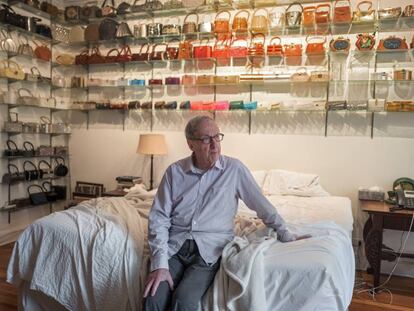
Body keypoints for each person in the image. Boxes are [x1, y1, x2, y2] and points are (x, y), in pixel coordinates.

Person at [143, 115, 309, 311]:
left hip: (208, 252)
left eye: (217, 137)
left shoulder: (234, 169)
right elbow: (159, 218)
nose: (214, 145)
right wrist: (160, 264)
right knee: (152, 297)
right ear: (190, 144)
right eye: (206, 139)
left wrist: (284, 232)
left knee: (184, 301)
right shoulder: (174, 172)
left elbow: (262, 205)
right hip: (175, 248)